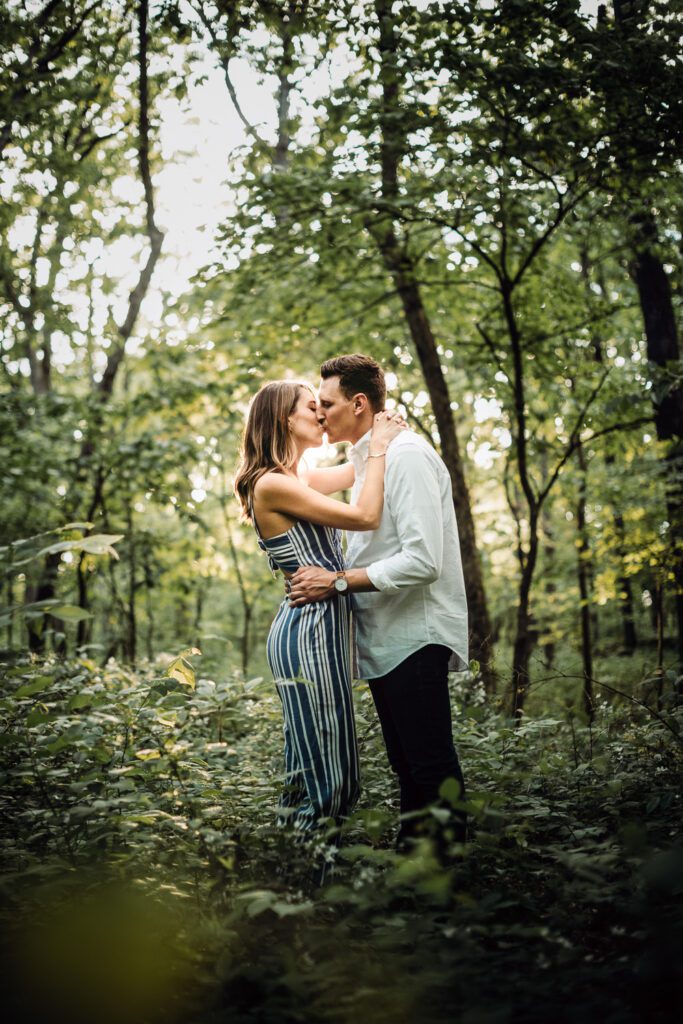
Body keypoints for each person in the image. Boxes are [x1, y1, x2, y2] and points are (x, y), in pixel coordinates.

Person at [288, 354, 468, 848]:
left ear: (359, 403)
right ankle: (414, 868)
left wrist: (337, 582)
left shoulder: (405, 454)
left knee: (429, 765)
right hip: (386, 637)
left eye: (327, 404)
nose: (320, 413)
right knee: (407, 765)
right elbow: (296, 479)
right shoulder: (370, 457)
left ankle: (445, 875)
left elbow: (423, 560)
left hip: (415, 634)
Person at [233, 380, 405, 835]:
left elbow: (356, 471)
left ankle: (289, 870)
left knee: (307, 775)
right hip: (307, 630)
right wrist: (379, 446)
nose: (322, 414)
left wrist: (378, 432)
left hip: (319, 627)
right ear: (285, 419)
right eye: (312, 407)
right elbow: (365, 515)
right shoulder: (273, 484)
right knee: (333, 783)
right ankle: (309, 877)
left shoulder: (297, 478)